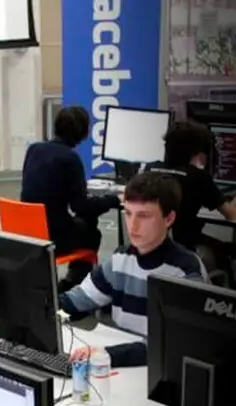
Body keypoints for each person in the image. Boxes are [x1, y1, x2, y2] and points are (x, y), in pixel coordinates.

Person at [61, 172, 208, 368]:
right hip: (123, 364)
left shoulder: (186, 271)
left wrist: (108, 355)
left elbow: (175, 344)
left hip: (159, 368)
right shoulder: (120, 259)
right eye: (128, 213)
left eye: (144, 216)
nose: (133, 225)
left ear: (169, 218)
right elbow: (74, 301)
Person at [20, 106, 120, 290]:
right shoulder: (70, 159)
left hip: (26, 230)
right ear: (83, 132)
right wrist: (112, 200)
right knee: (92, 233)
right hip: (52, 237)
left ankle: (72, 281)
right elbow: (80, 206)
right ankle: (76, 285)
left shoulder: (34, 149)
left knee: (85, 221)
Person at [144, 120, 236, 276]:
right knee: (227, 251)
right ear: (195, 152)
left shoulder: (150, 170)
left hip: (152, 245)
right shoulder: (198, 177)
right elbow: (232, 214)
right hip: (185, 245)